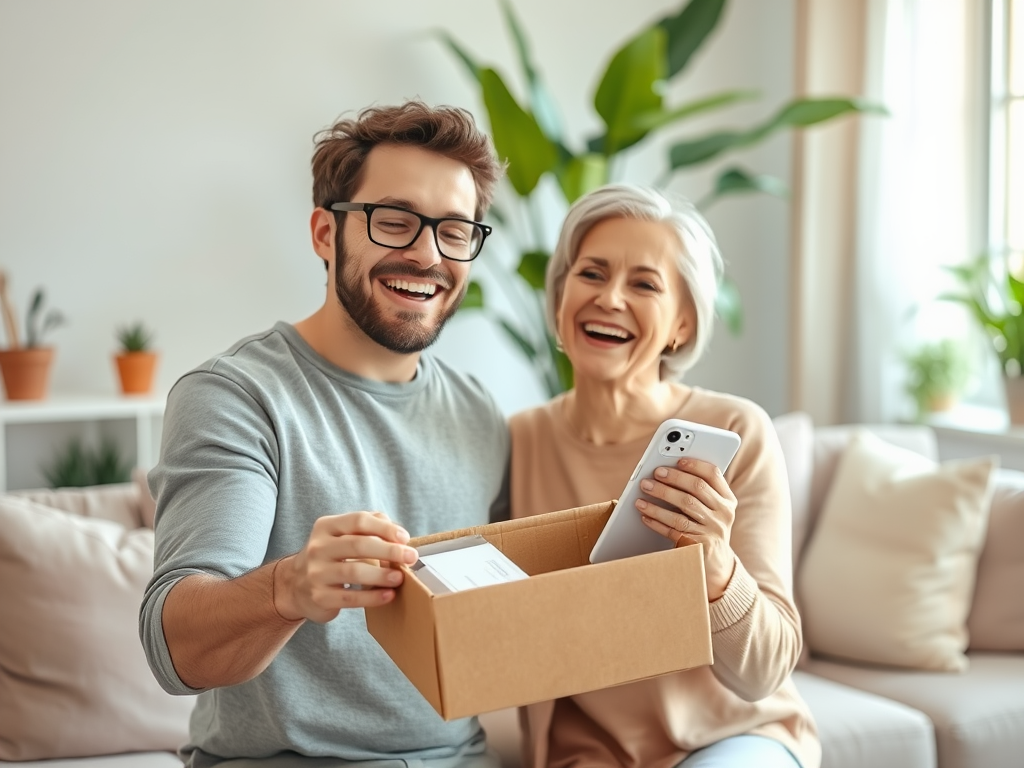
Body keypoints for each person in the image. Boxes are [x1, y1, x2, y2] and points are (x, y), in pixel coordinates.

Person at [139, 101, 510, 768]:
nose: (426, 255)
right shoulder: (237, 397)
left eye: (454, 232)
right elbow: (177, 651)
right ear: (324, 232)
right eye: (394, 221)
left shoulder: (482, 414)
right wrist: (289, 588)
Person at [509, 183, 820, 768]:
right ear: (560, 299)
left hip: (734, 737)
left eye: (644, 284)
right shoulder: (519, 439)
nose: (610, 298)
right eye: (592, 274)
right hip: (587, 754)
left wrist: (718, 569)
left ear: (681, 324)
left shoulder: (735, 430)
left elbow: (766, 670)